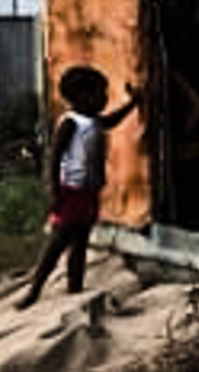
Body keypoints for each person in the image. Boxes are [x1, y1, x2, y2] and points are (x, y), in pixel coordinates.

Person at [18, 67, 139, 307]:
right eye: (99, 93)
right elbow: (54, 157)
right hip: (71, 191)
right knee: (58, 241)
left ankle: (75, 287)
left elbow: (112, 120)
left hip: (89, 192)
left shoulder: (94, 120)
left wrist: (133, 103)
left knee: (81, 241)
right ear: (81, 96)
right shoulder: (70, 123)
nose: (104, 98)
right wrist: (54, 189)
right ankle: (34, 290)